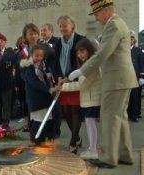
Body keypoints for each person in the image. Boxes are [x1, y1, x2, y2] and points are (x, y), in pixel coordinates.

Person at [68, 0, 138, 168]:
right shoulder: (118, 23)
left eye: (98, 14)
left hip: (116, 80)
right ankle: (124, 154)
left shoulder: (113, 25)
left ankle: (108, 158)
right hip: (121, 78)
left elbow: (102, 55)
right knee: (120, 118)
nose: (97, 19)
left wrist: (81, 70)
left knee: (109, 118)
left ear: (106, 10)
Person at [61, 38, 101, 159]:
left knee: (90, 123)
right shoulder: (87, 64)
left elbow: (82, 85)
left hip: (92, 98)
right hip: (88, 98)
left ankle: (93, 150)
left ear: (89, 50)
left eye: (82, 51)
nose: (80, 55)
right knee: (89, 123)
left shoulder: (92, 65)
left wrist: (62, 87)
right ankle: (92, 148)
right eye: (78, 52)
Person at [54, 15, 85, 152]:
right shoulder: (58, 43)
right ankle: (77, 138)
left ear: (72, 26)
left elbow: (81, 61)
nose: (62, 28)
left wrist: (68, 76)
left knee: (75, 111)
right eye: (60, 25)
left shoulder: (80, 39)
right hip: (62, 81)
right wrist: (59, 76)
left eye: (65, 25)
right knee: (65, 112)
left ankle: (73, 144)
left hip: (76, 80)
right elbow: (55, 62)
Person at [20, 44, 59, 145]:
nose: (39, 58)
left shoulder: (42, 66)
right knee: (39, 121)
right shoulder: (29, 68)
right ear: (31, 55)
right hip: (36, 100)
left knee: (47, 120)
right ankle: (34, 140)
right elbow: (35, 83)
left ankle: (42, 140)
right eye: (36, 55)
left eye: (41, 56)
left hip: (44, 99)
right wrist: (49, 89)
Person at [127, 31, 144, 122]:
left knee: (135, 97)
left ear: (134, 40)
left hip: (135, 76)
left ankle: (135, 115)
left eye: (132, 38)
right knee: (127, 97)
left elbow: (141, 63)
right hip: (125, 77)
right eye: (129, 38)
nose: (130, 40)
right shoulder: (123, 50)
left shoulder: (138, 50)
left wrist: (142, 76)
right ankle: (127, 114)